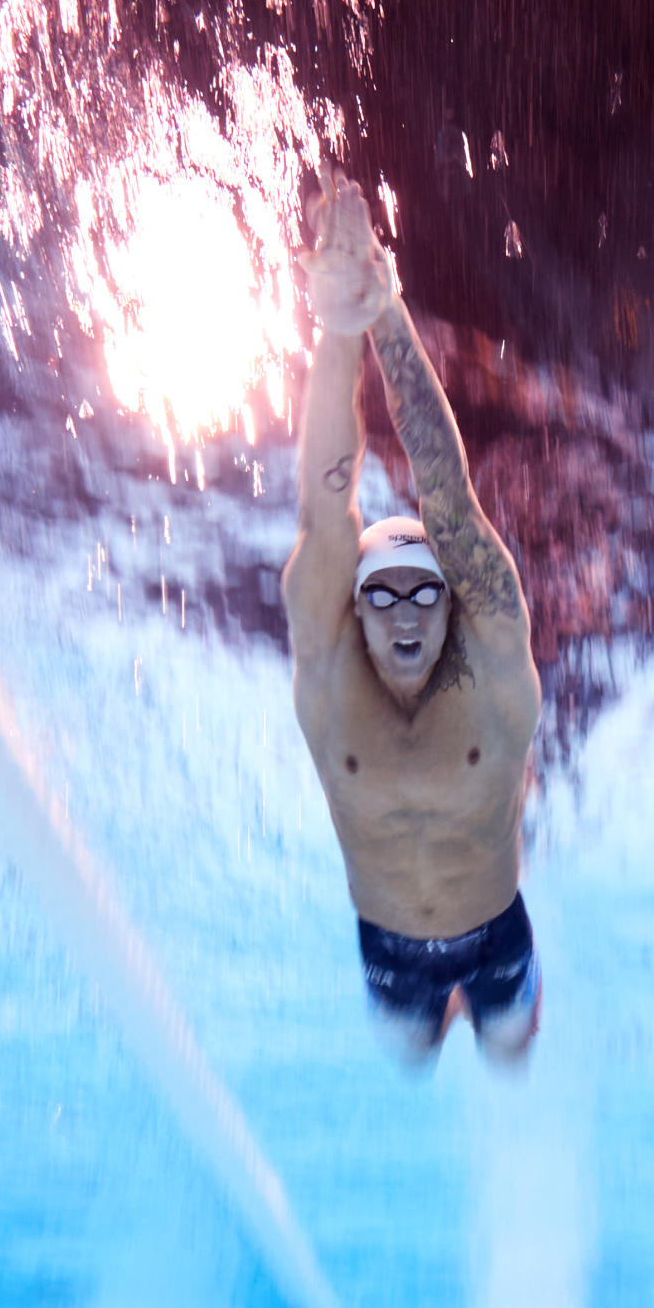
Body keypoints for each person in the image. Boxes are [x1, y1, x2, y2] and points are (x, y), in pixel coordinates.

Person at [285, 182, 543, 1067]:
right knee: (407, 1063)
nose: (403, 613)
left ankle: (491, 1007)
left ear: (456, 604)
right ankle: (444, 1019)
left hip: (494, 933)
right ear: (351, 607)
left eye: (425, 592)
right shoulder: (330, 679)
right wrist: (335, 327)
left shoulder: (496, 663)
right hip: (389, 950)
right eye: (382, 593)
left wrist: (382, 316)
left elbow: (449, 498)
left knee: (510, 1056)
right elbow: (326, 518)